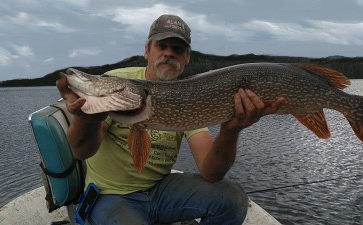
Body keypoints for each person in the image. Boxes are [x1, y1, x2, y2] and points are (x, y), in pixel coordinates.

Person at [56, 14, 283, 225]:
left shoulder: (190, 95)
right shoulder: (120, 82)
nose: (169, 53)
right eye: (161, 46)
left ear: (186, 58)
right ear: (147, 50)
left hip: (161, 191)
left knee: (232, 199)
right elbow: (81, 151)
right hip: (111, 196)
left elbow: (210, 172)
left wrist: (230, 131)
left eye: (178, 48)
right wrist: (86, 118)